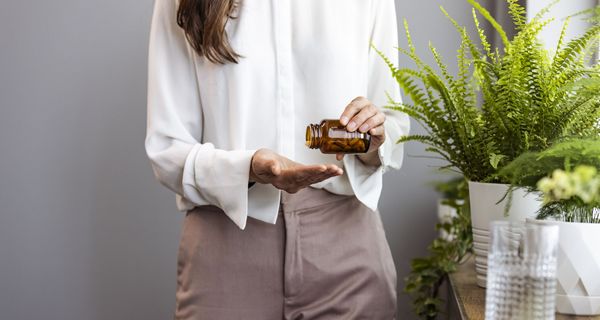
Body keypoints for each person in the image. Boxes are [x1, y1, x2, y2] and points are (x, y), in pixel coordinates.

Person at [145, 0, 409, 318]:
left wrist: (372, 138)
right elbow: (167, 147)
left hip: (346, 248)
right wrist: (249, 167)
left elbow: (391, 124)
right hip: (226, 246)